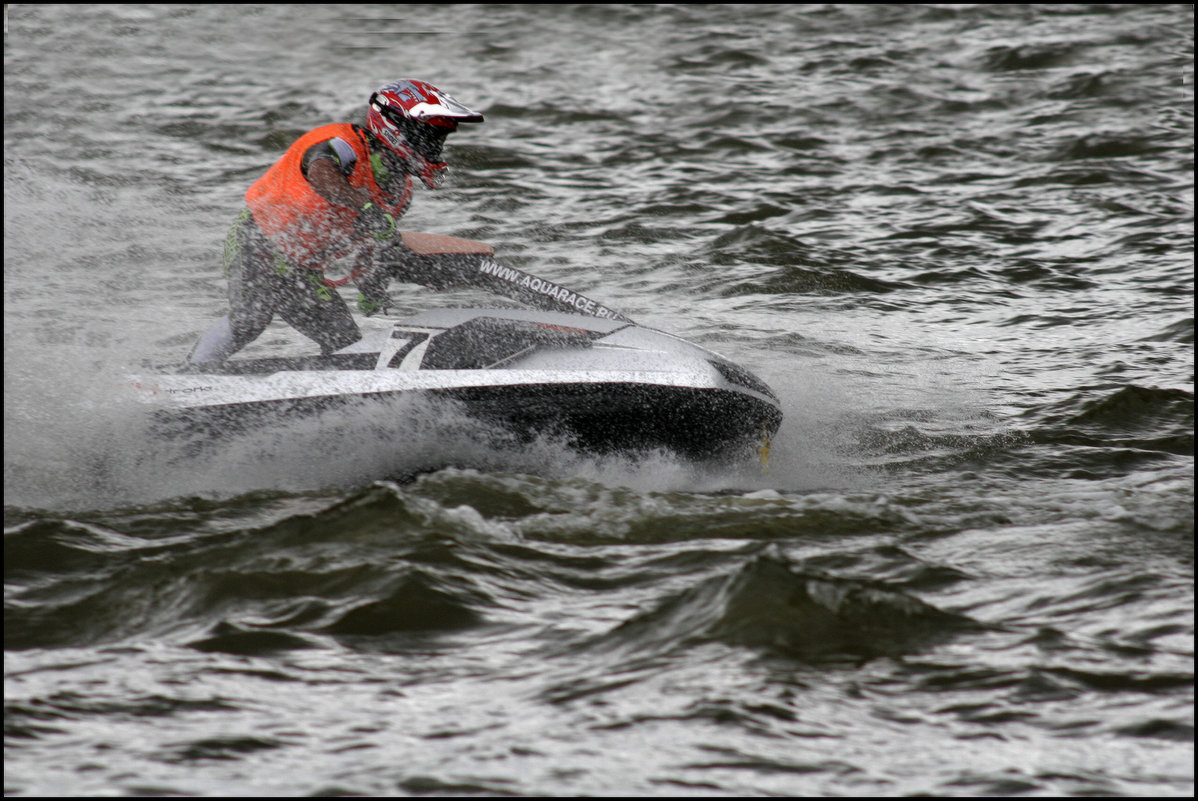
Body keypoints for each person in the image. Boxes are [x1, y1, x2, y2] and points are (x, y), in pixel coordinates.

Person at [186, 79, 484, 365]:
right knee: (251, 318)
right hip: (257, 241)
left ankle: (331, 404)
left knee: (345, 341)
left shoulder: (400, 194)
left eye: (439, 139)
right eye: (430, 136)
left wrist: (373, 282)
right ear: (396, 125)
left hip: (302, 271)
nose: (435, 146)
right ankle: (191, 375)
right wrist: (362, 204)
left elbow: (371, 245)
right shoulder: (347, 143)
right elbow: (321, 170)